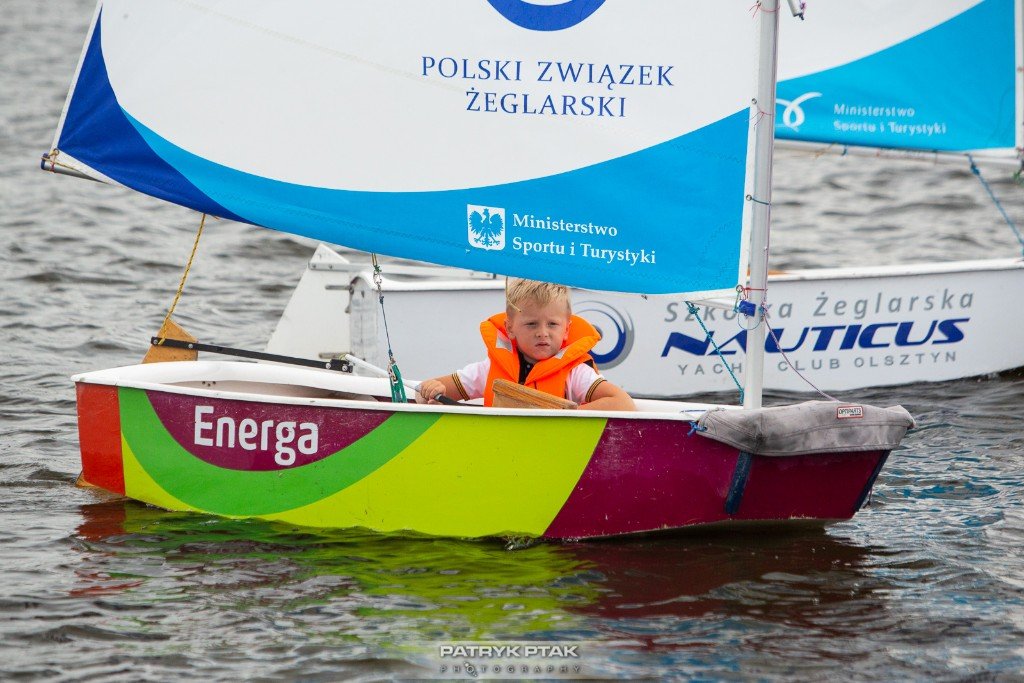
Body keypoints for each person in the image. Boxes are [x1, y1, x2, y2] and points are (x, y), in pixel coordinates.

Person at [416, 278, 635, 411]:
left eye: (552, 324)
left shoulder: (575, 374)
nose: (543, 333)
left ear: (566, 330)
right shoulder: (488, 370)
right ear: (510, 328)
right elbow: (426, 391)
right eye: (531, 324)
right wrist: (430, 392)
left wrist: (567, 415)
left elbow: (622, 403)